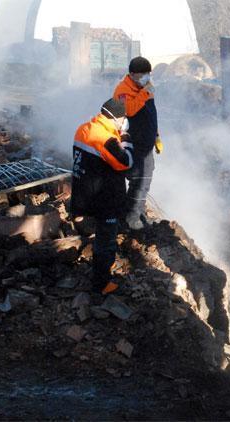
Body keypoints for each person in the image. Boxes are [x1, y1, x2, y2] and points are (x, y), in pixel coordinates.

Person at [70, 98, 134, 295]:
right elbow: (126, 162)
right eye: (123, 118)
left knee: (102, 236)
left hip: (84, 194)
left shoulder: (83, 128)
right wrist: (126, 140)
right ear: (116, 118)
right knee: (106, 241)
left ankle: (100, 276)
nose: (124, 121)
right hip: (105, 199)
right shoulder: (106, 139)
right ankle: (102, 284)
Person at [113, 56, 162, 230]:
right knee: (139, 180)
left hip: (146, 142)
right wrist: (145, 93)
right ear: (132, 74)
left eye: (148, 74)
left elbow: (150, 114)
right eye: (143, 74)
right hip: (134, 143)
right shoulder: (123, 90)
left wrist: (156, 136)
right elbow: (130, 110)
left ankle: (137, 212)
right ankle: (131, 217)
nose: (147, 78)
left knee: (145, 179)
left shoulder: (143, 88)